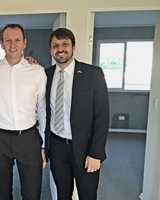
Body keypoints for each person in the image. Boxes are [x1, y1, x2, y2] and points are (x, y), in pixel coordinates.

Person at [0, 24, 47, 200]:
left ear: (24, 43)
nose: (13, 44)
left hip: (28, 138)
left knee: (32, 192)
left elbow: (42, 109)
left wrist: (43, 144)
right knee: (3, 193)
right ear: (2, 44)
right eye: (8, 40)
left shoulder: (37, 72)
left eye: (17, 40)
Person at [44, 28, 109, 200]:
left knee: (87, 196)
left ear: (73, 47)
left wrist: (96, 153)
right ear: (51, 50)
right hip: (57, 147)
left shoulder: (93, 74)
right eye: (55, 45)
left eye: (65, 44)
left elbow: (102, 116)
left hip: (85, 149)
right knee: (62, 195)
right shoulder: (46, 75)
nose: (60, 49)